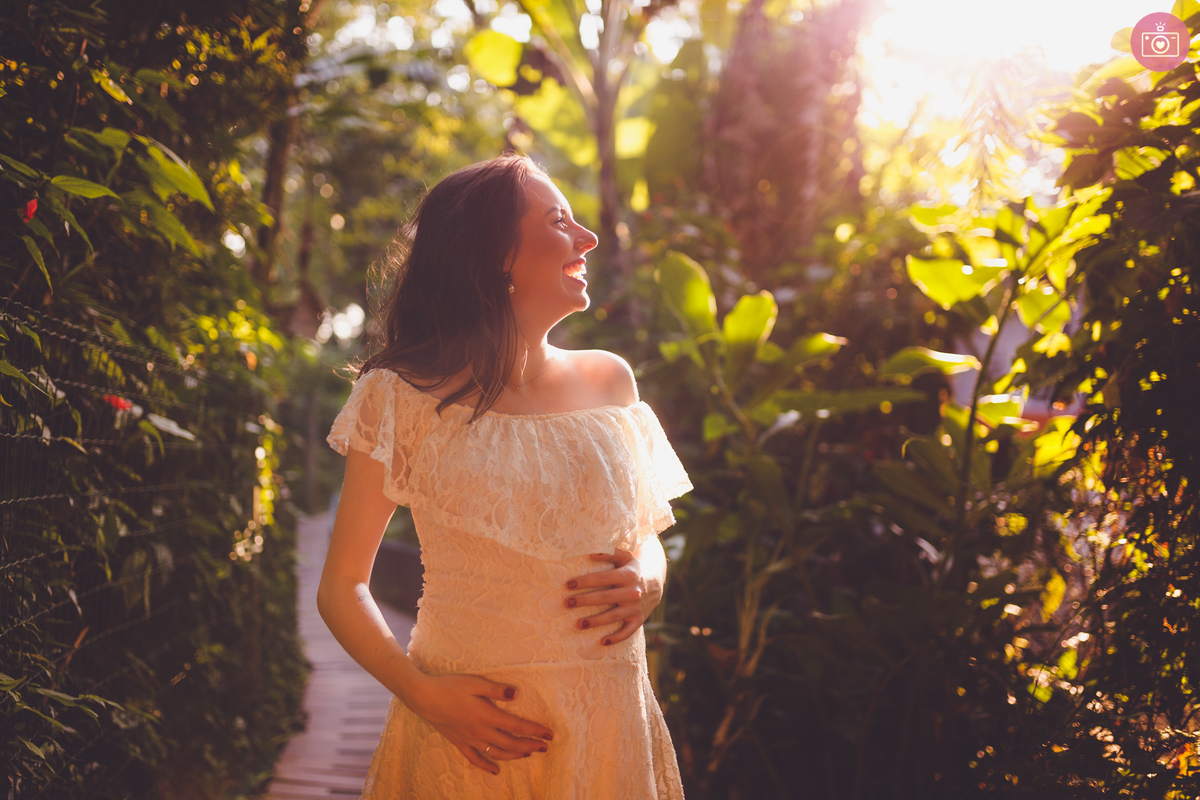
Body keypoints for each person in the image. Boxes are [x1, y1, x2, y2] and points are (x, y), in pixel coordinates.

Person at [317, 152, 693, 799]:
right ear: (495, 254)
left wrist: (650, 580)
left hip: (606, 718)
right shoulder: (397, 396)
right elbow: (343, 585)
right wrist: (423, 695)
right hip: (467, 731)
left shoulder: (611, 380)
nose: (589, 239)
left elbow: (644, 535)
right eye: (559, 221)